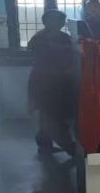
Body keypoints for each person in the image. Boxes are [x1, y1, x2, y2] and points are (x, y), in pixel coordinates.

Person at [28, 9, 77, 157]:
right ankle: (71, 149)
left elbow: (73, 55)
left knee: (50, 115)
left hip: (62, 82)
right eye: (56, 20)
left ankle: (44, 146)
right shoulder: (39, 39)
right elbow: (42, 60)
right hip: (45, 82)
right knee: (52, 116)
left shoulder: (65, 38)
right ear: (46, 22)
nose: (60, 23)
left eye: (62, 20)